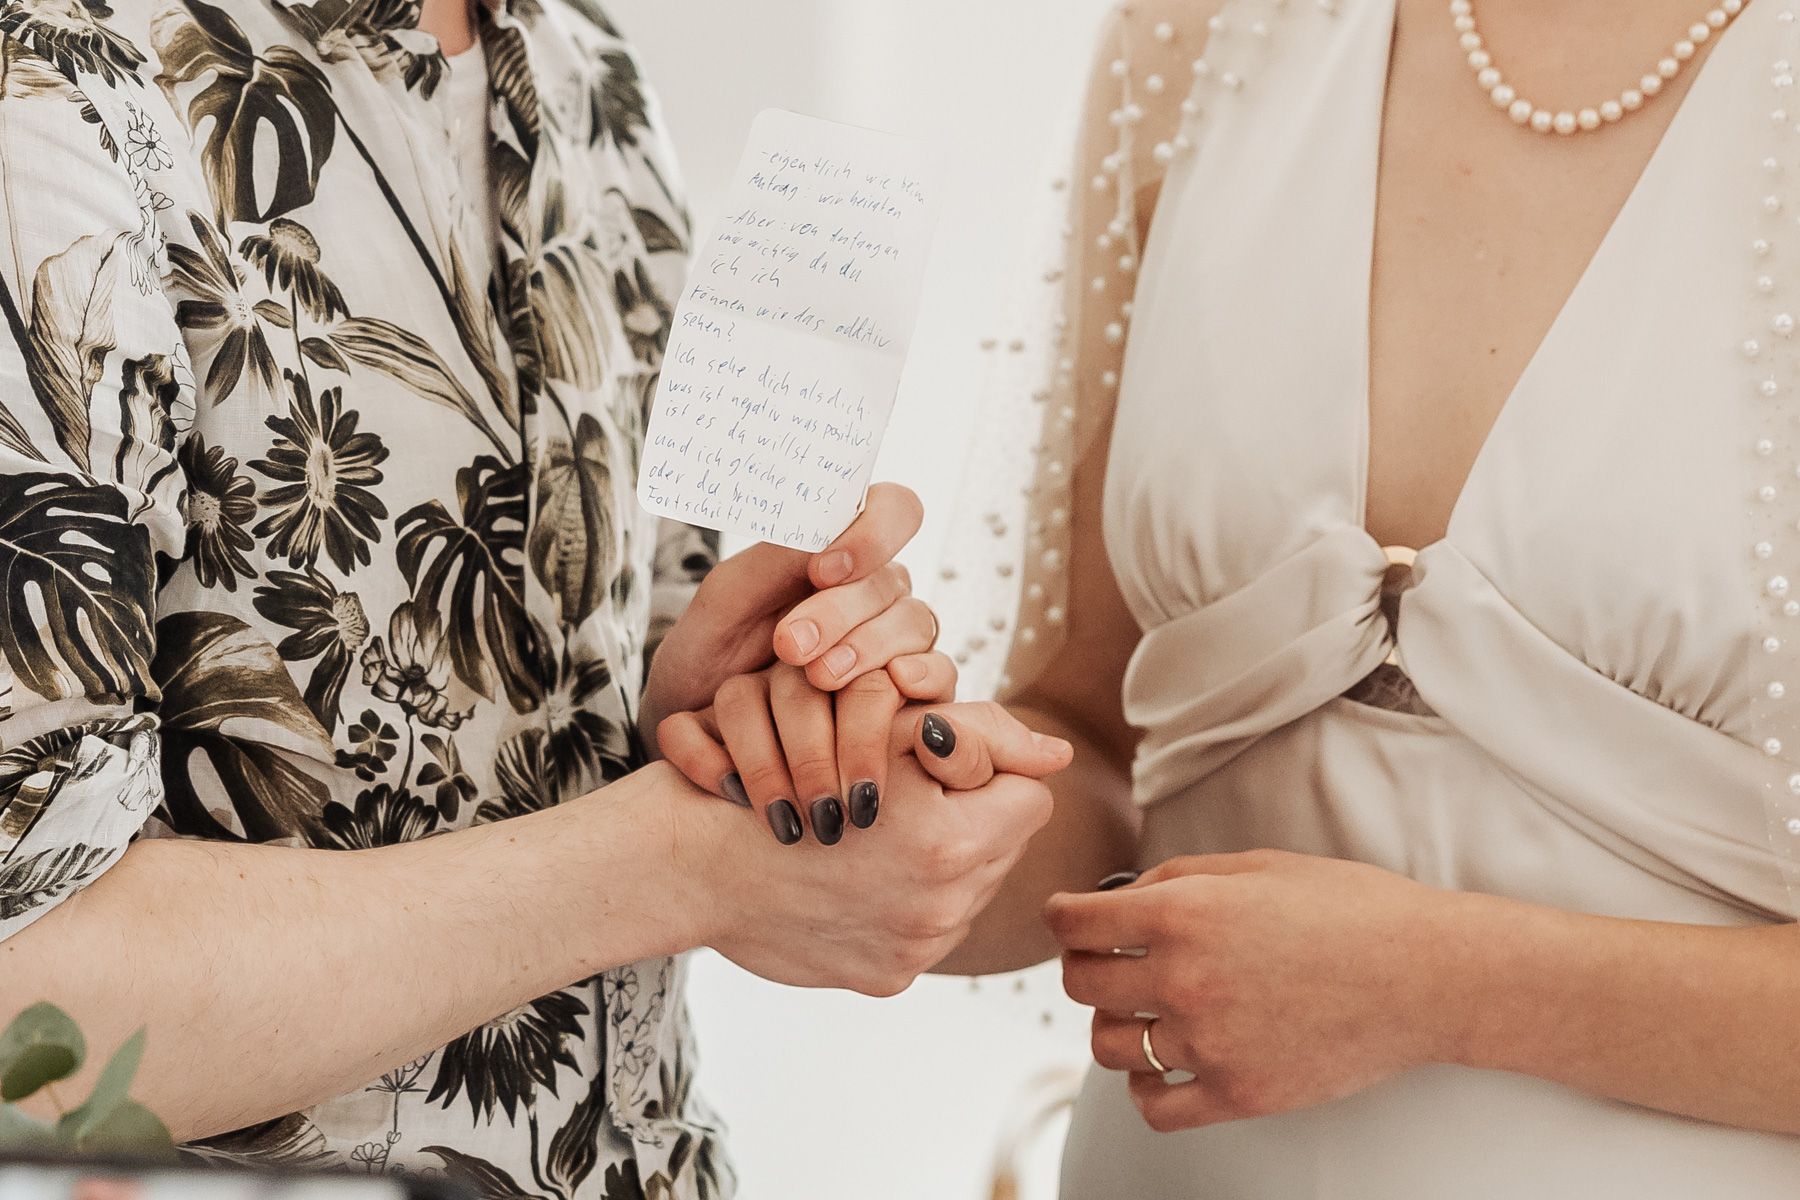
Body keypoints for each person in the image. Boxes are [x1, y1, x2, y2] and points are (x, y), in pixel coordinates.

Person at [0, 1, 1068, 1196]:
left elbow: (620, 756)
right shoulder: (46, 84)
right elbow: (26, 1007)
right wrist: (681, 862)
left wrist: (742, 730)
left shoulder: (584, 63)